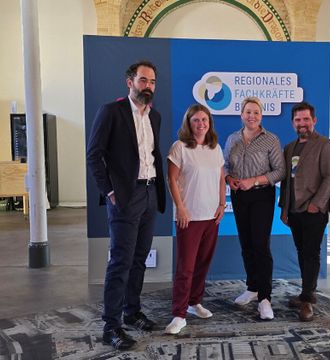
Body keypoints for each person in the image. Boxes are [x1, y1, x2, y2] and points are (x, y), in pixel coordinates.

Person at [86, 60, 166, 350]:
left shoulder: (153, 116)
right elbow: (94, 154)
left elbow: (152, 156)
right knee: (120, 261)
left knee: (139, 258)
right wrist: (109, 191)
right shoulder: (112, 112)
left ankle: (132, 312)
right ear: (129, 82)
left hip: (149, 193)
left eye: (153, 82)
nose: (149, 86)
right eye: (143, 80)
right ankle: (111, 325)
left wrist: (156, 192)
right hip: (124, 196)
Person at [165, 104, 226, 334]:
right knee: (186, 267)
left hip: (211, 216)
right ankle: (179, 314)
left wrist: (222, 204)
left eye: (204, 120)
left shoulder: (215, 148)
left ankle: (193, 303)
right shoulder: (179, 147)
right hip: (189, 217)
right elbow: (172, 180)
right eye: (196, 120)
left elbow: (221, 178)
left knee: (202, 263)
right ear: (188, 124)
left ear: (209, 123)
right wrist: (180, 208)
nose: (201, 124)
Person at [224, 96, 285, 320]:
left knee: (261, 245)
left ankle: (265, 298)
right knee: (246, 244)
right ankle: (252, 287)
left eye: (256, 113)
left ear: (261, 116)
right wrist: (229, 178)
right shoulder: (232, 139)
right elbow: (225, 166)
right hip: (239, 197)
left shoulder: (271, 140)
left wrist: (255, 180)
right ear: (241, 115)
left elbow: (280, 171)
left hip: (261, 197)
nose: (252, 116)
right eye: (248, 112)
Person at [279, 102, 330, 322]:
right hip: (294, 210)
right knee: (301, 252)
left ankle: (307, 301)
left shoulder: (326, 144)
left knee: (311, 253)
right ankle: (306, 291)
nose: (302, 123)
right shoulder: (289, 147)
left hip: (314, 210)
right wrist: (284, 209)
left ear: (314, 120)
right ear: (293, 123)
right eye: (297, 120)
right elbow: (286, 181)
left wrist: (317, 203)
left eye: (306, 119)